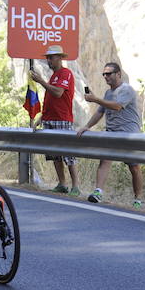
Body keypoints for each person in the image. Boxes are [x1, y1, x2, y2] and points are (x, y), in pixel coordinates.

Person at [77, 62, 144, 207]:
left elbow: (117, 106)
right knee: (105, 160)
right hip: (112, 133)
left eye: (109, 74)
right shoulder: (108, 93)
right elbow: (100, 112)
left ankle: (138, 200)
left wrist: (95, 99)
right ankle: (98, 192)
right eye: (104, 74)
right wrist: (87, 126)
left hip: (128, 134)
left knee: (134, 167)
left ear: (118, 74)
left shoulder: (126, 90)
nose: (105, 76)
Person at [30, 44, 81, 196]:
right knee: (54, 154)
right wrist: (42, 117)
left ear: (59, 58)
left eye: (51, 58)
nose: (48, 61)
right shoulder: (54, 76)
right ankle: (62, 184)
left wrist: (41, 82)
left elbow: (58, 93)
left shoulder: (66, 73)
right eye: (47, 58)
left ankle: (76, 186)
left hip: (62, 119)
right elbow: (51, 100)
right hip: (50, 119)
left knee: (68, 154)